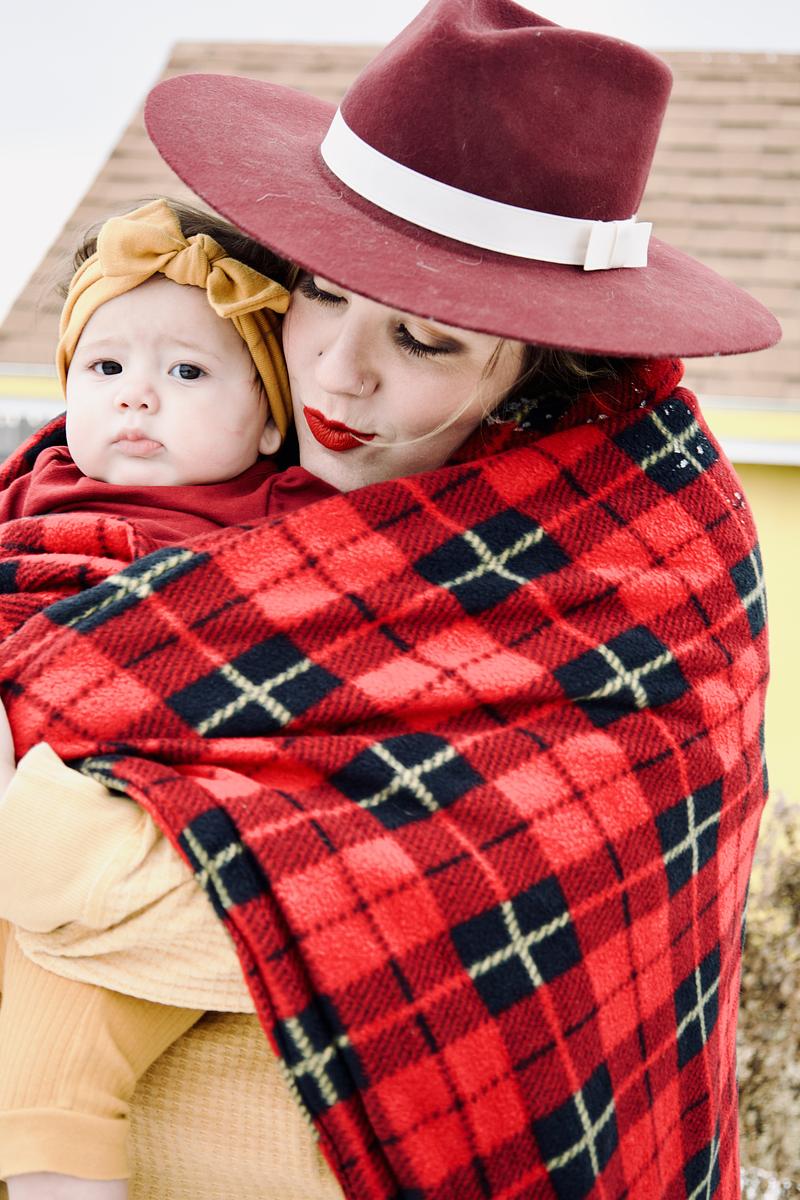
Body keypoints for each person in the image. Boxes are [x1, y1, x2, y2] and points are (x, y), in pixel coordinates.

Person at [0, 1, 781, 1197]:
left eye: (422, 341)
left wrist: (53, 815)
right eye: (320, 292)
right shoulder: (139, 454)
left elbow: (164, 900)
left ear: (536, 362)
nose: (336, 371)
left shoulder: (633, 573)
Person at [0, 196, 337, 1199]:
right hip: (30, 800)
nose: (136, 397)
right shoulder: (28, 492)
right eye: (105, 368)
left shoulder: (293, 520)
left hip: (148, 851)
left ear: (271, 416)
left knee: (49, 1081)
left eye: (187, 372)